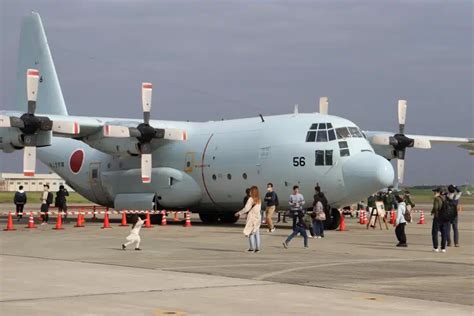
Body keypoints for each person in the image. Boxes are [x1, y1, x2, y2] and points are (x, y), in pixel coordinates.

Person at [235, 186, 262, 253]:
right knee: (257, 233)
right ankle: (257, 248)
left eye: (250, 191)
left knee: (250, 233)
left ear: (252, 192)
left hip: (252, 217)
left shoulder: (250, 199)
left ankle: (251, 248)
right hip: (258, 217)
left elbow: (246, 209)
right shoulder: (259, 199)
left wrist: (239, 213)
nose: (249, 192)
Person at [431, 187, 448, 253]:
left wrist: (432, 212)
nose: (434, 193)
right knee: (444, 233)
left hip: (438, 218)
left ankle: (435, 247)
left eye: (435, 192)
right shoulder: (446, 198)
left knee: (434, 232)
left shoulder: (437, 199)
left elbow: (436, 207)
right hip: (445, 217)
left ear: (438, 192)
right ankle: (443, 248)